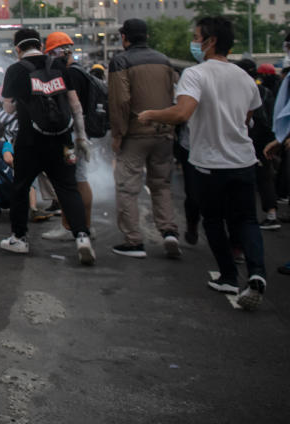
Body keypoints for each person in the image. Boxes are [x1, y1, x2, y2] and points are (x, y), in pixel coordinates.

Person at [140, 17, 266, 311]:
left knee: (213, 219)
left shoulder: (195, 75)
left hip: (210, 163)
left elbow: (183, 113)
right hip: (243, 160)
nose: (194, 42)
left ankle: (229, 277)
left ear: (210, 42)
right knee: (247, 219)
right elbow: (248, 118)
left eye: (196, 37)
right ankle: (257, 273)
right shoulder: (244, 77)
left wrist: (150, 115)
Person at [0, 29, 94, 264]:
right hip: (62, 139)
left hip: (29, 141)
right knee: (67, 187)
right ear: (40, 45)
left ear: (17, 48)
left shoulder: (16, 70)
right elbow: (75, 105)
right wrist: (81, 137)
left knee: (21, 187)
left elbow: (8, 109)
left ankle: (19, 238)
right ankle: (82, 236)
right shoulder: (60, 66)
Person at [108, 19, 179, 259]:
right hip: (165, 132)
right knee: (161, 185)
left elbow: (120, 102)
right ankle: (169, 230)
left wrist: (118, 135)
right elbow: (174, 95)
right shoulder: (164, 60)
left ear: (124, 37)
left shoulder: (121, 61)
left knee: (127, 188)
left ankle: (134, 241)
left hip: (135, 134)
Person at [40, 32, 95, 242]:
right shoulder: (81, 72)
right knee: (80, 180)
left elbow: (73, 106)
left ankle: (68, 225)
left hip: (70, 135)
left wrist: (79, 137)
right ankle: (86, 225)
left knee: (67, 182)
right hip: (81, 133)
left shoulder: (68, 74)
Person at [235, 59, 279, 231]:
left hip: (250, 138)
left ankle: (249, 217)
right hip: (268, 138)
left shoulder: (242, 91)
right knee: (264, 176)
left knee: (247, 179)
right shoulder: (266, 91)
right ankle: (271, 214)